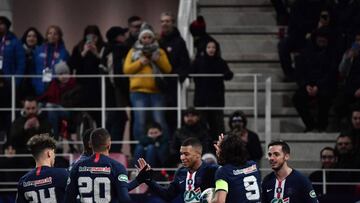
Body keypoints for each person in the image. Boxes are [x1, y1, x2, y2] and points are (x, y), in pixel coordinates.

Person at [123, 23, 172, 142]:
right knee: (140, 121)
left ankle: (163, 147)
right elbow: (126, 70)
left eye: (149, 37)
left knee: (160, 120)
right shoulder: (133, 51)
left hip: (157, 91)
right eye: (144, 37)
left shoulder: (159, 51)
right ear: (140, 39)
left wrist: (158, 60)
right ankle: (141, 146)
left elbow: (168, 69)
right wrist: (140, 63)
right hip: (138, 92)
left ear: (153, 38)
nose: (147, 40)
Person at [138, 137, 219, 202]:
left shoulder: (212, 171)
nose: (182, 158)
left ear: (198, 155)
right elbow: (167, 195)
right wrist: (148, 179)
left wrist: (224, 155)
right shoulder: (180, 172)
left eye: (186, 154)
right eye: (181, 154)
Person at [64, 128, 133, 203]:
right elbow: (124, 198)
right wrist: (139, 180)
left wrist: (138, 180)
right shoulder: (118, 167)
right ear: (109, 145)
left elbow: (68, 199)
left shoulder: (77, 167)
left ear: (90, 144)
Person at [293, 27, 337, 132]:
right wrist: (306, 85)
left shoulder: (332, 53)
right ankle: (310, 125)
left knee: (325, 97)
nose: (322, 40)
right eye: (320, 38)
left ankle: (322, 126)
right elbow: (300, 72)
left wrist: (318, 86)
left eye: (324, 38)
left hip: (325, 85)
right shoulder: (306, 52)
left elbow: (332, 73)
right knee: (297, 99)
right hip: (308, 85)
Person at [191, 40, 233, 142]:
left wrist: (227, 74)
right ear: (205, 49)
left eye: (213, 47)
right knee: (202, 128)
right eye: (209, 47)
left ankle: (220, 151)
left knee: (218, 127)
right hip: (202, 101)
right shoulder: (198, 61)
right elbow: (190, 71)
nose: (211, 49)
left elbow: (229, 74)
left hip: (216, 101)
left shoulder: (220, 62)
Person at [159, 12, 191, 136]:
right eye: (162, 21)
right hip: (159, 86)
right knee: (160, 118)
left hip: (173, 86)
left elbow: (185, 63)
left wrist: (178, 77)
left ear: (173, 23)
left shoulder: (179, 42)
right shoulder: (158, 41)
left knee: (173, 116)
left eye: (167, 21)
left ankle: (173, 145)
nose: (164, 24)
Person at [100, 26, 130, 152]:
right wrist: (123, 86)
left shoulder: (107, 48)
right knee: (117, 118)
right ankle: (114, 150)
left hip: (112, 90)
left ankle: (113, 149)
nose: (125, 36)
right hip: (114, 91)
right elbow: (113, 73)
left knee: (116, 118)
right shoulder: (116, 49)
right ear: (117, 37)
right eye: (122, 34)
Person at [68, 25, 105, 126]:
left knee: (99, 116)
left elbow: (105, 65)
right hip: (82, 86)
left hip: (98, 87)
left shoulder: (103, 47)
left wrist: (97, 54)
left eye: (94, 37)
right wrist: (83, 53)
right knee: (84, 117)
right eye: (89, 37)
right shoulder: (78, 48)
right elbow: (72, 65)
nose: (92, 40)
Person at [16, 134, 69, 203]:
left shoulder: (23, 181)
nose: (54, 156)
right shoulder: (63, 174)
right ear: (49, 153)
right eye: (53, 153)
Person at [211, 134, 261, 203]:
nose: (217, 150)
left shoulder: (222, 172)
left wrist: (209, 200)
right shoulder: (254, 165)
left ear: (224, 151)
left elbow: (220, 201)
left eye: (220, 148)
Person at [37, 61, 78, 139]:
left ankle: (54, 137)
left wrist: (56, 105)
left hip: (69, 111)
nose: (63, 76)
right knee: (42, 107)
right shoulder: (53, 84)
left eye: (65, 73)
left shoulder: (74, 85)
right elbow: (46, 96)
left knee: (51, 107)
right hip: (55, 109)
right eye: (61, 74)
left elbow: (73, 103)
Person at [0, 16, 26, 133]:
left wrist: (16, 81)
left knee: (9, 112)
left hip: (9, 83)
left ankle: (9, 137)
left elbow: (21, 63)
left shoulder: (15, 42)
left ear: (7, 26)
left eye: (1, 24)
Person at [33, 25, 69, 96]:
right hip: (39, 85)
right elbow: (33, 67)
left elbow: (65, 71)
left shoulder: (63, 52)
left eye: (55, 34)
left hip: (56, 86)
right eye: (50, 33)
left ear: (59, 37)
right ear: (46, 35)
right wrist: (34, 82)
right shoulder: (39, 50)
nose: (52, 35)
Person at [335, 32, 360, 128]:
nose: (359, 43)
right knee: (339, 104)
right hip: (350, 88)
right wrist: (347, 58)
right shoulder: (349, 55)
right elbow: (342, 72)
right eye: (357, 40)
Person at [18, 27, 44, 104]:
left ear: (38, 38)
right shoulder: (19, 50)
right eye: (29, 36)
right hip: (22, 83)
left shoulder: (43, 51)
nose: (31, 38)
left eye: (34, 36)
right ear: (25, 38)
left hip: (38, 82)